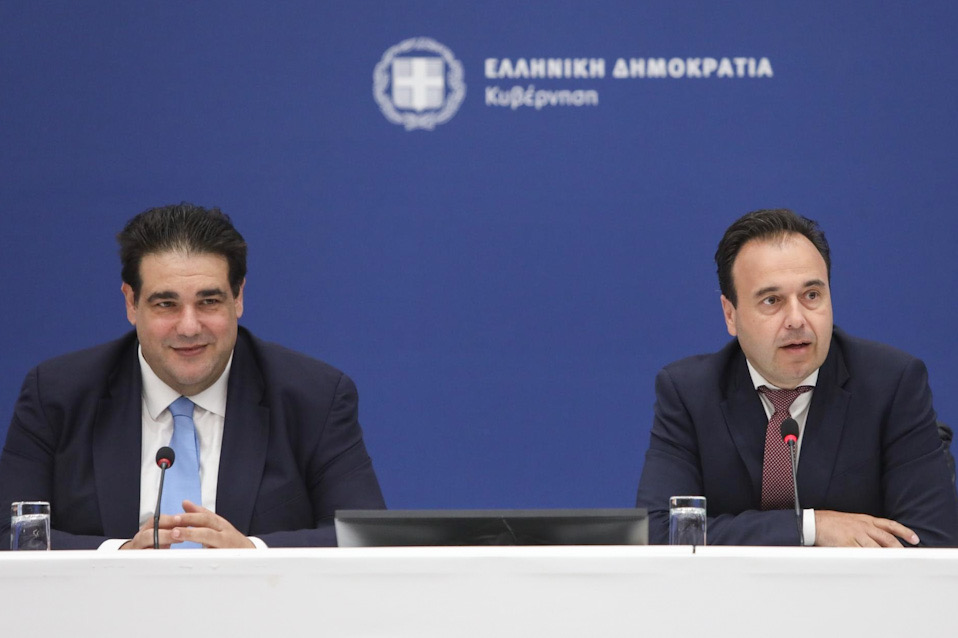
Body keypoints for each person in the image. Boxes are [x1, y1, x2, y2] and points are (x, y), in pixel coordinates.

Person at [0, 203, 385, 549]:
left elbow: (362, 536)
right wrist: (117, 559)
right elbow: (8, 532)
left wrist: (252, 554)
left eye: (209, 302)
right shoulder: (59, 395)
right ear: (131, 303)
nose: (189, 327)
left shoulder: (313, 397)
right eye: (166, 304)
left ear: (238, 298)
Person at [636, 208, 958, 546]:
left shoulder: (891, 384)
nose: (796, 319)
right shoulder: (690, 393)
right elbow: (659, 531)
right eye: (772, 300)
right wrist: (811, 527)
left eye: (812, 296)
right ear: (730, 315)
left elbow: (932, 539)